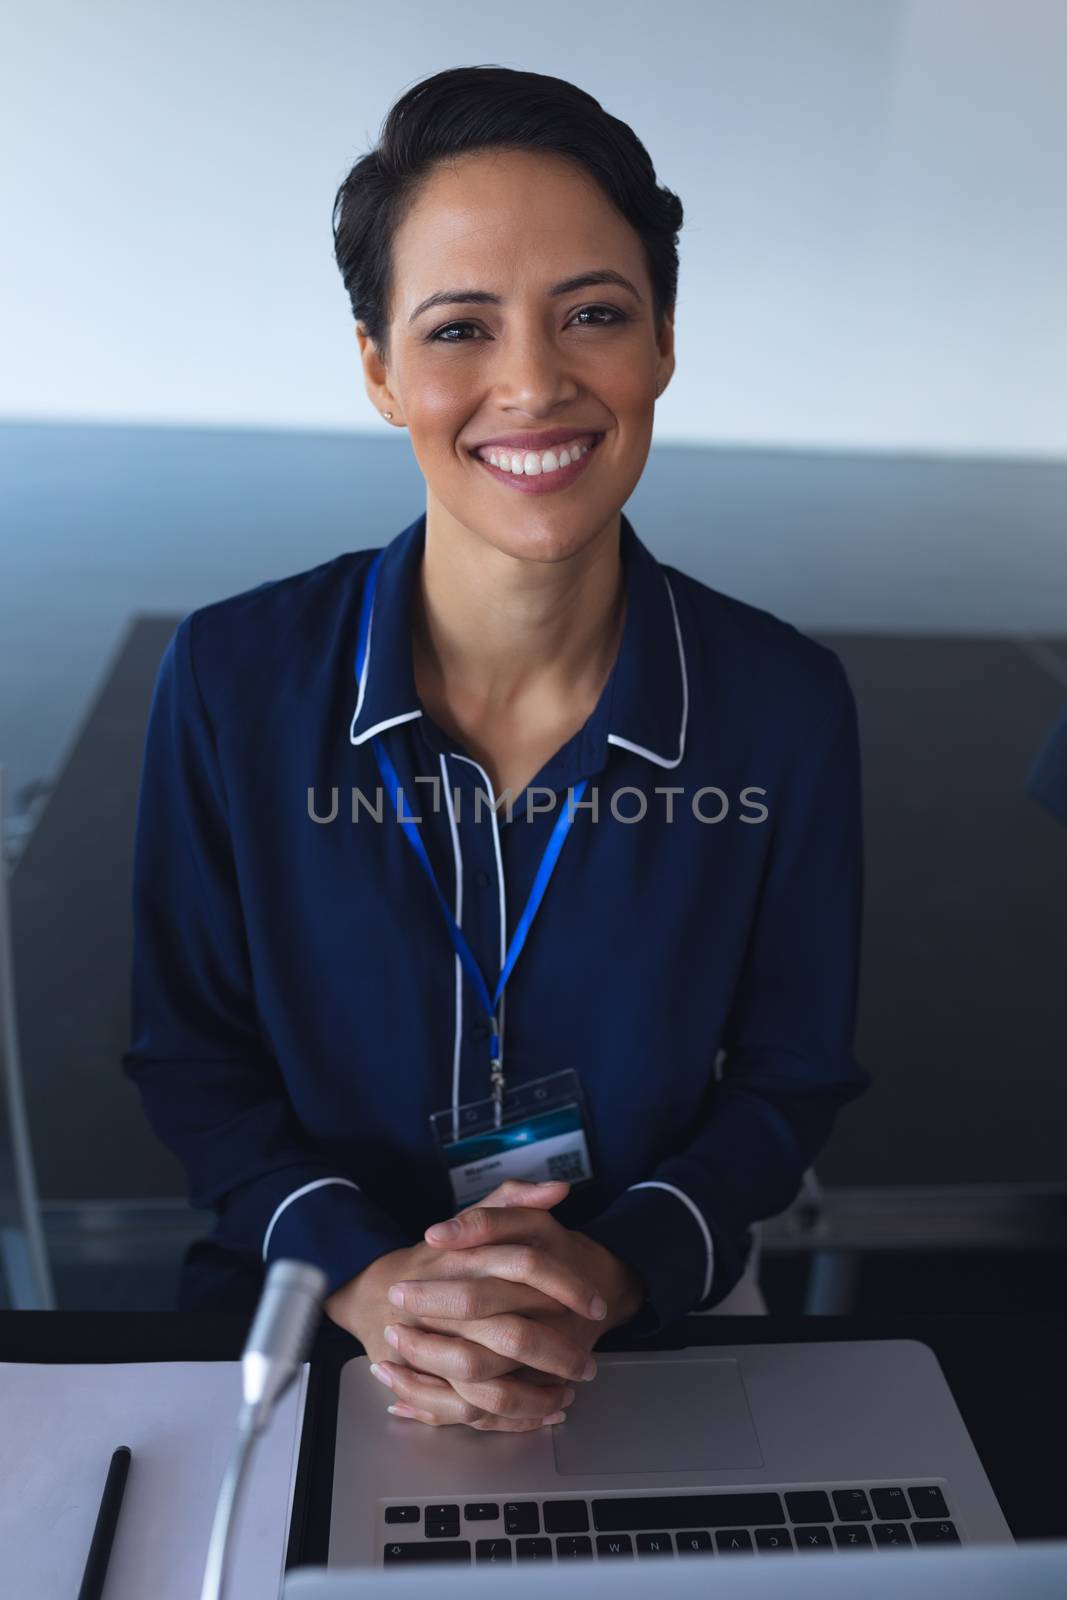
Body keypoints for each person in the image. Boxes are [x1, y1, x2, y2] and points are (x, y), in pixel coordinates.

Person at [123, 65, 869, 1433]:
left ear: (661, 344)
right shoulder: (233, 681)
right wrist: (370, 1281)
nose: (534, 383)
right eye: (461, 327)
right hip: (310, 1318)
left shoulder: (786, 705)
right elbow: (192, 1058)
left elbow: (790, 1074)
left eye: (593, 313)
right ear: (378, 368)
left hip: (645, 1334)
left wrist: (613, 1270)